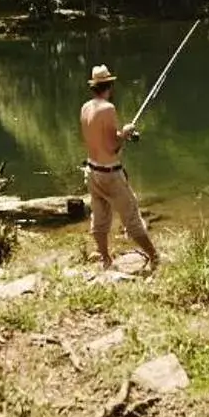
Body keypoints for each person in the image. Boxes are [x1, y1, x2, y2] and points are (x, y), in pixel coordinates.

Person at [79, 64, 158, 269]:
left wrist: (121, 134)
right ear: (109, 86)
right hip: (110, 175)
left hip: (92, 171)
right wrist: (124, 133)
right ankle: (154, 257)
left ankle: (105, 259)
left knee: (100, 217)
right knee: (132, 217)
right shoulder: (108, 108)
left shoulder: (86, 107)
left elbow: (99, 138)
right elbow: (113, 147)